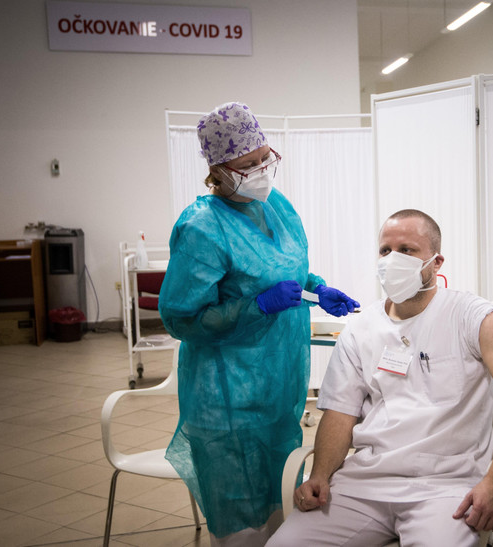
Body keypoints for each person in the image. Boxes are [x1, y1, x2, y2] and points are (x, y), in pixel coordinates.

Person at [267, 209, 493, 547]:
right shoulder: (360, 329)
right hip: (364, 485)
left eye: (407, 250)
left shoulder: (468, 314)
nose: (392, 259)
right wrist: (322, 474)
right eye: (385, 250)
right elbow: (340, 412)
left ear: (436, 262)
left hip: (445, 488)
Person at [158, 101, 359, 547]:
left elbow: (285, 271)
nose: (260, 171)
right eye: (247, 165)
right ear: (219, 170)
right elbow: (181, 317)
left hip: (278, 385)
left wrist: (317, 289)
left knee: (279, 504)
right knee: (240, 525)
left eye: (264, 158)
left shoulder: (276, 206)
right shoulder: (202, 228)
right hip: (226, 394)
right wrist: (256, 307)